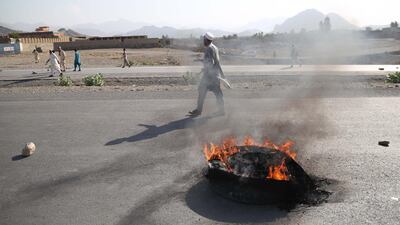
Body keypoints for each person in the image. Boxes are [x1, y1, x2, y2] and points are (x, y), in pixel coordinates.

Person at [189, 32, 225, 117]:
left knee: (202, 91)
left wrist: (204, 67)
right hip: (215, 74)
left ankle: (199, 111)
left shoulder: (209, 49)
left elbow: (211, 62)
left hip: (209, 76)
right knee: (218, 93)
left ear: (206, 39)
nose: (203, 41)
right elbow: (217, 62)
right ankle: (221, 110)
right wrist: (222, 74)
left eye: (204, 39)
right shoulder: (215, 47)